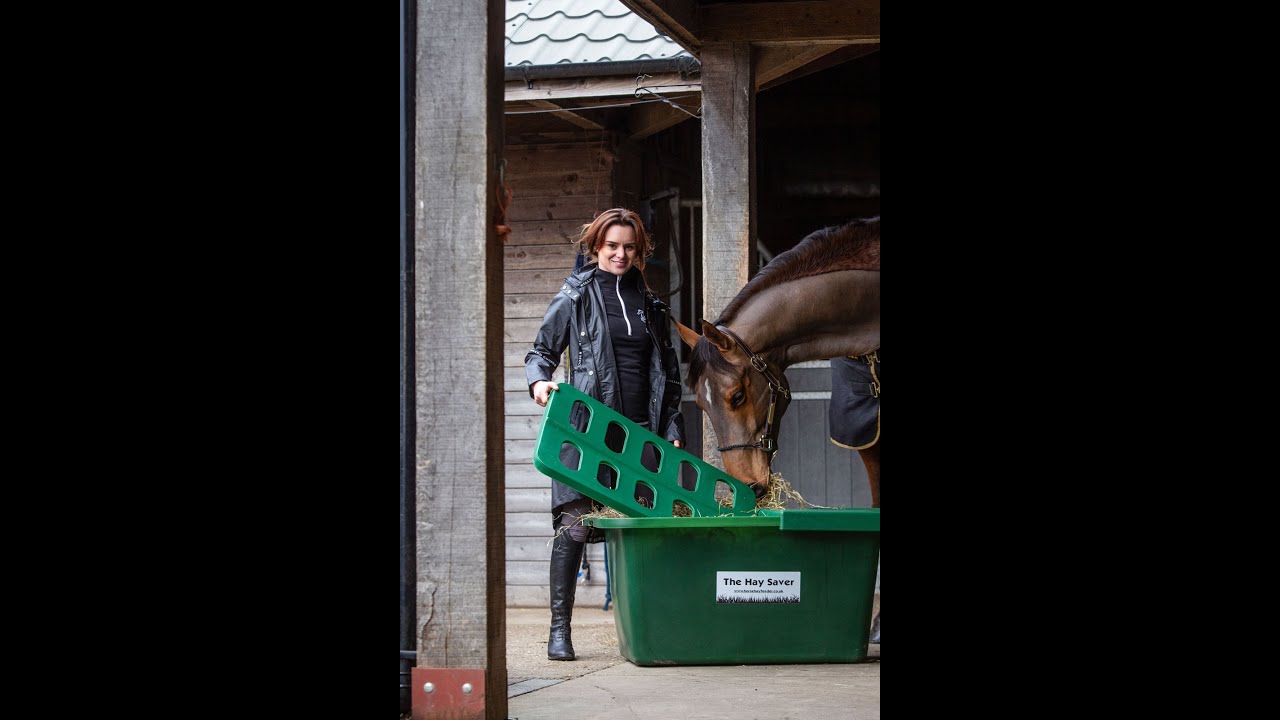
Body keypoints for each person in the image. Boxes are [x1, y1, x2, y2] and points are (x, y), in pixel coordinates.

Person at [524, 208, 685, 660]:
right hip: (588, 430)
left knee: (646, 530)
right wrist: (539, 381)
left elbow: (669, 377)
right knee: (574, 526)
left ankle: (653, 627)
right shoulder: (575, 296)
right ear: (596, 247)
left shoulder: (652, 307)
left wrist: (672, 428)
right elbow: (541, 351)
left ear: (640, 251)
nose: (620, 253)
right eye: (611, 245)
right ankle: (560, 629)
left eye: (629, 247)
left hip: (641, 435)